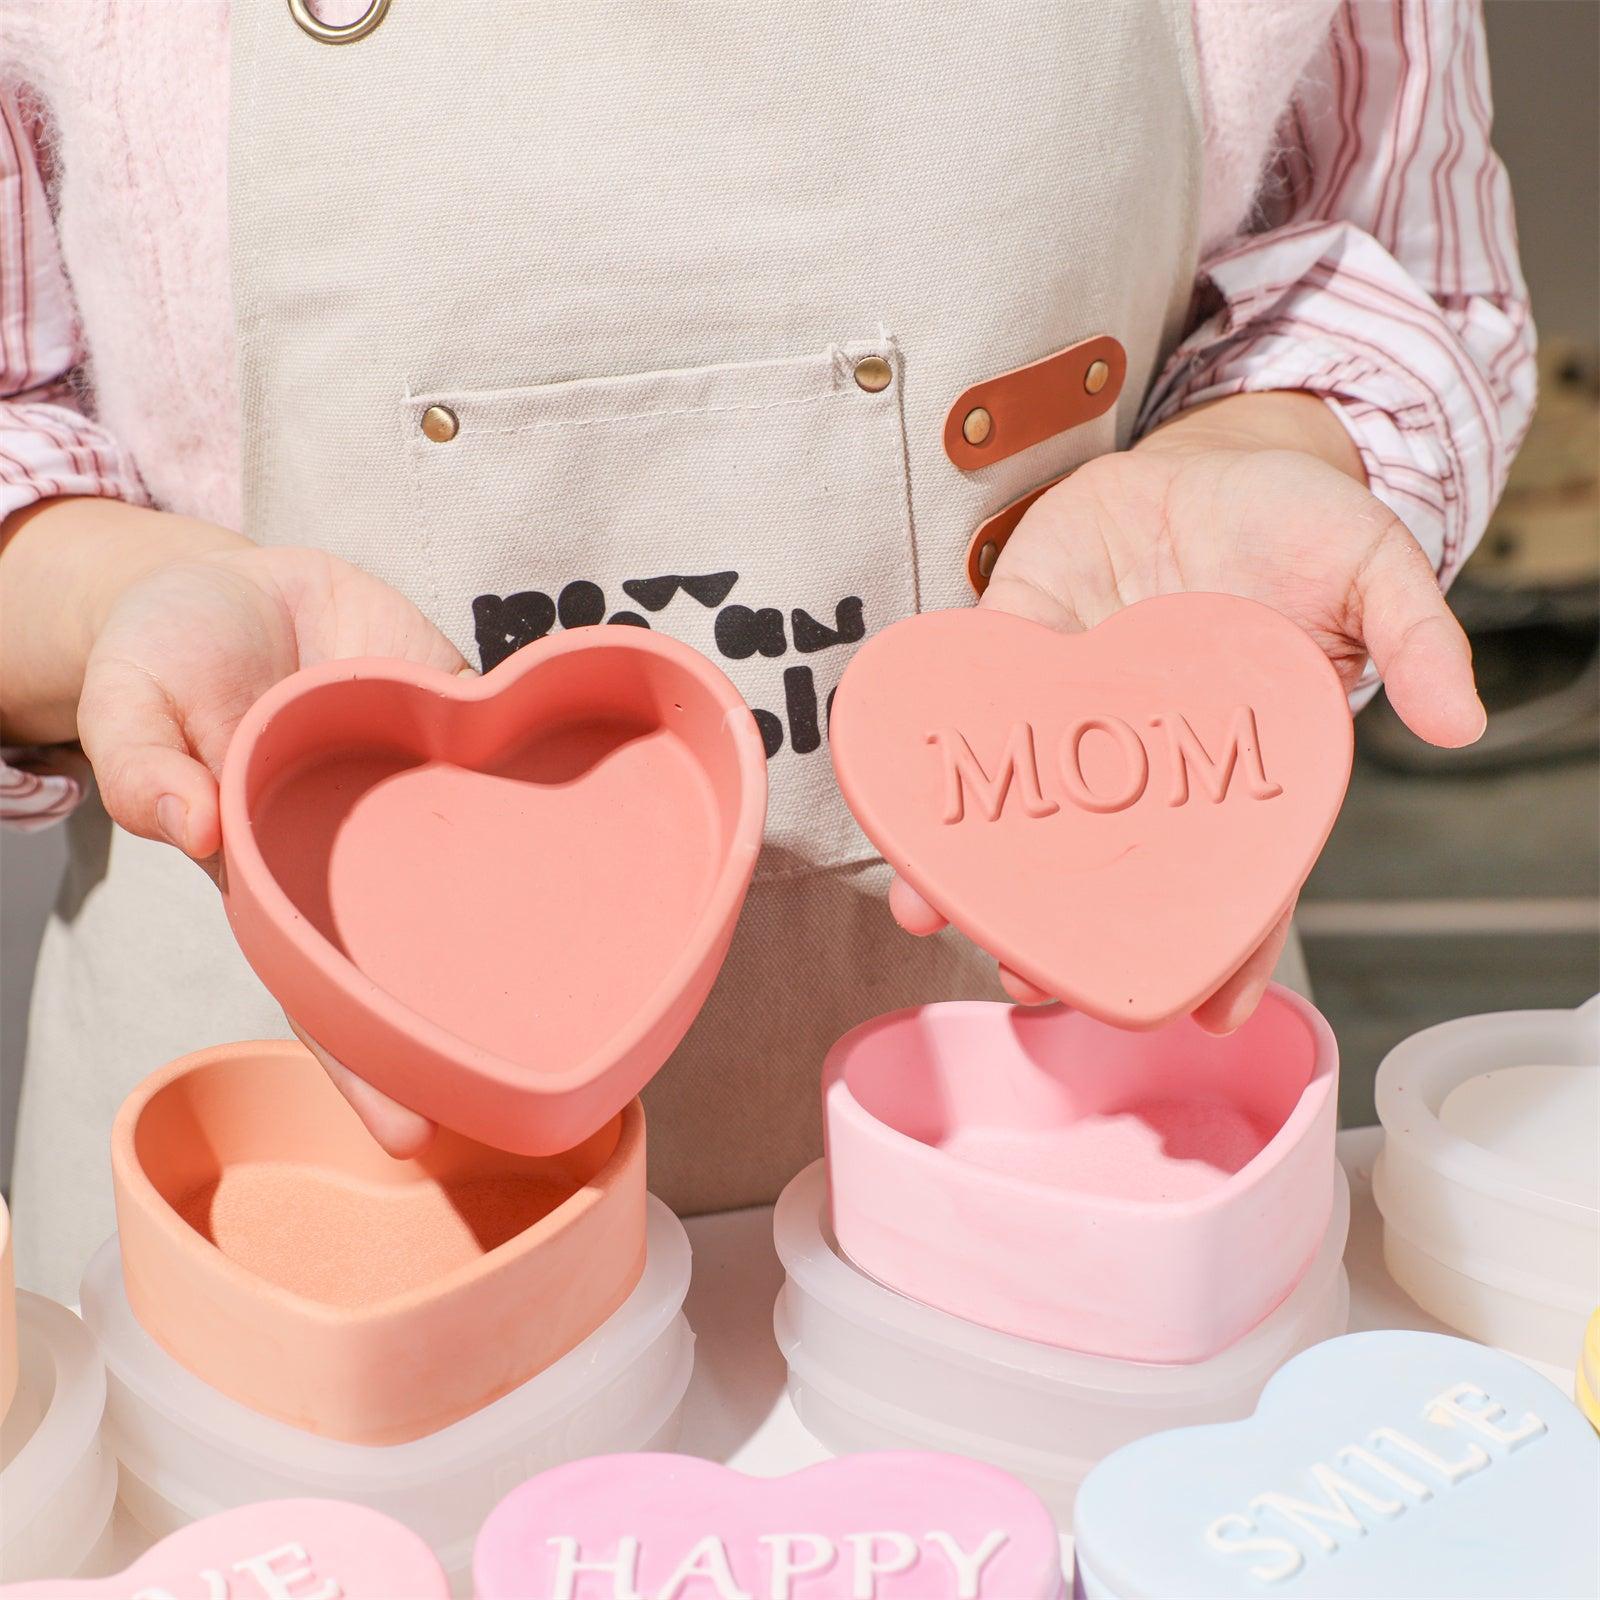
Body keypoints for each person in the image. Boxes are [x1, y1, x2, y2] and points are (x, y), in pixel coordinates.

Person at [1, 0, 1534, 1300]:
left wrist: (1267, 453)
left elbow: (1402, 266)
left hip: (1091, 1163)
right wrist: (111, 594)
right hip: (316, 1220)